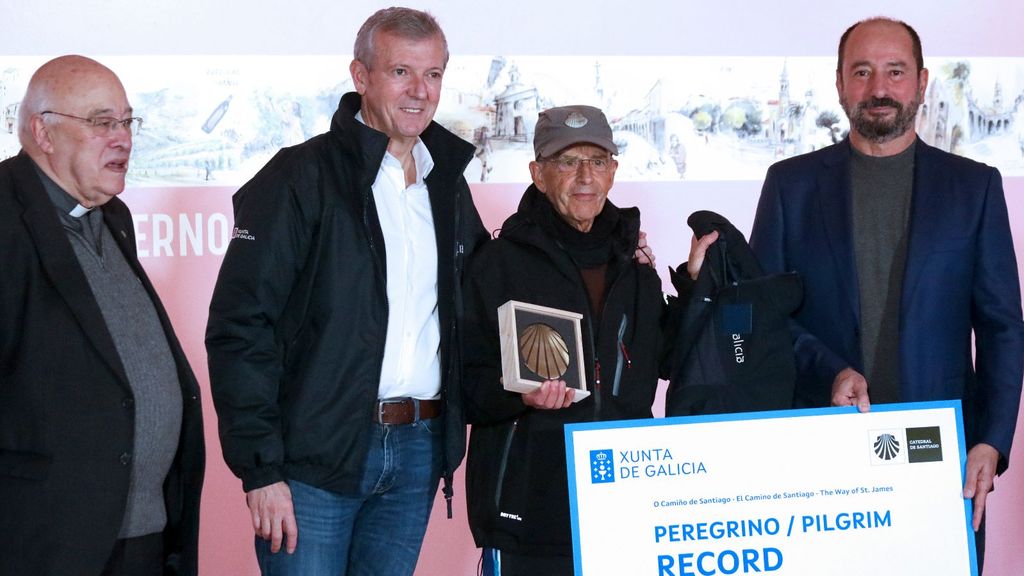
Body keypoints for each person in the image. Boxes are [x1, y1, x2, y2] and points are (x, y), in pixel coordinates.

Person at [205, 7, 488, 575]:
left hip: (416, 450)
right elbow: (241, 326)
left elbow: (489, 285)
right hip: (315, 457)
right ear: (360, 77)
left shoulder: (448, 187)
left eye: (432, 74)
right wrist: (261, 469)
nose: (419, 92)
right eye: (400, 72)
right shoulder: (298, 177)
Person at [747, 17, 1024, 570]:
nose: (879, 88)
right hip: (820, 462)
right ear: (840, 83)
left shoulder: (975, 188)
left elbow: (1002, 328)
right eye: (863, 72)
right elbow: (760, 317)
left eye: (895, 72)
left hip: (941, 462)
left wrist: (990, 441)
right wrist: (829, 371)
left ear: (921, 82)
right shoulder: (790, 186)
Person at [0, 55, 205, 576]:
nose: (123, 138)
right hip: (46, 544)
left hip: (144, 537)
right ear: (43, 133)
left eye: (126, 121)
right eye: (100, 122)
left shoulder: (113, 218)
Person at [462, 105, 666, 576]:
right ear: (537, 173)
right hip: (530, 508)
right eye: (566, 162)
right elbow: (465, 386)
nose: (584, 177)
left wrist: (698, 283)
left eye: (597, 161)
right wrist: (518, 395)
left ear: (613, 171)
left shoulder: (634, 266)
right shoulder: (497, 263)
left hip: (626, 504)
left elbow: (669, 356)